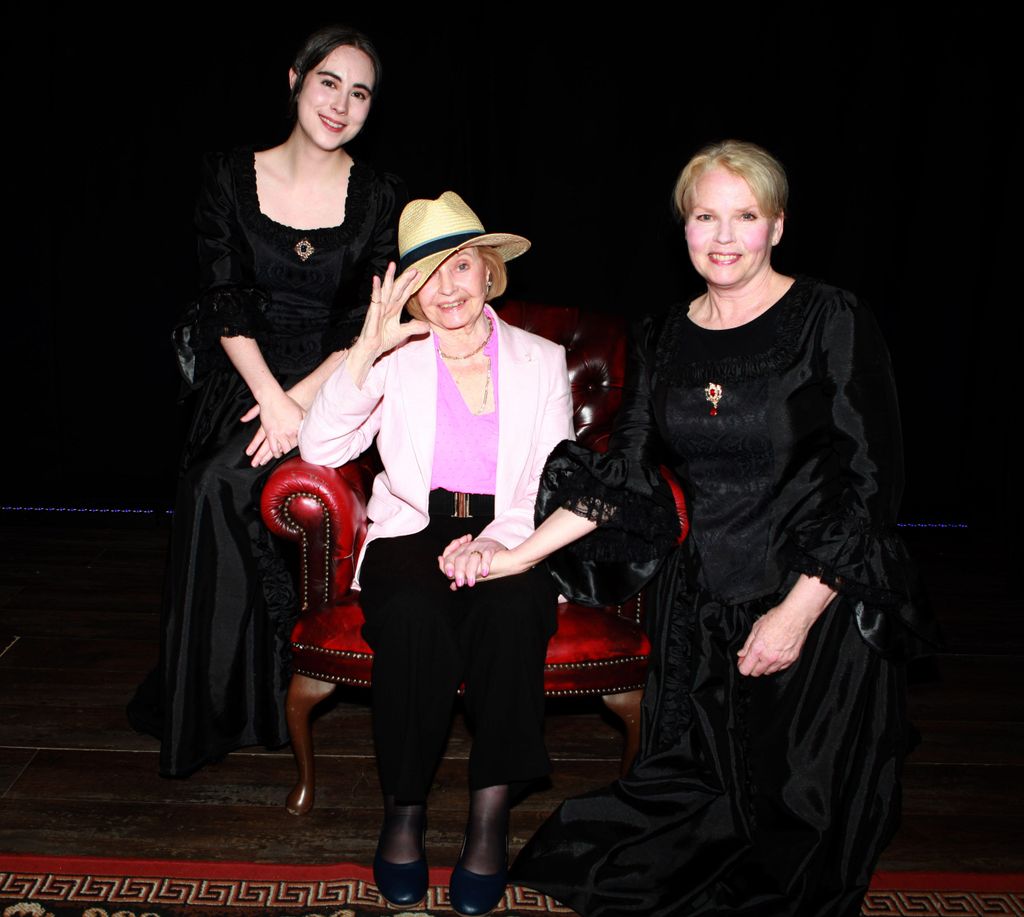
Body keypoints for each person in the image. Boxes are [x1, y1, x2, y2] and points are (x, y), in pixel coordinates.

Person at [441, 141, 940, 916]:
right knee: (638, 839)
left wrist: (796, 614)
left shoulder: (830, 319)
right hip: (702, 612)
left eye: (745, 216)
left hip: (816, 600)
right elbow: (629, 478)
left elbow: (871, 487)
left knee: (793, 849)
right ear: (684, 227)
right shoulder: (665, 335)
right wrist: (515, 554)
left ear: (776, 225)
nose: (724, 235)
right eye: (706, 215)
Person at [127, 25, 403, 778]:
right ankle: (215, 703)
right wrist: (270, 401)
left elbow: (366, 327)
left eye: (360, 93)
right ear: (294, 80)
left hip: (335, 381)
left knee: (236, 481)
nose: (341, 105)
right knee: (213, 480)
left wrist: (302, 404)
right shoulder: (225, 175)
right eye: (328, 83)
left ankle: (261, 692)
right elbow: (222, 299)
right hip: (242, 373)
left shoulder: (378, 197)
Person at [299, 191, 574, 914]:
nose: (446, 288)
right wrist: (367, 348)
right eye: (426, 276)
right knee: (415, 616)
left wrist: (496, 544)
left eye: (460, 267)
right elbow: (321, 447)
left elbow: (552, 480)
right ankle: (406, 810)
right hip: (412, 530)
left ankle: (489, 820)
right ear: (407, 293)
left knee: (513, 613)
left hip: (510, 527)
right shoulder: (397, 357)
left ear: (488, 272)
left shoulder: (543, 360)